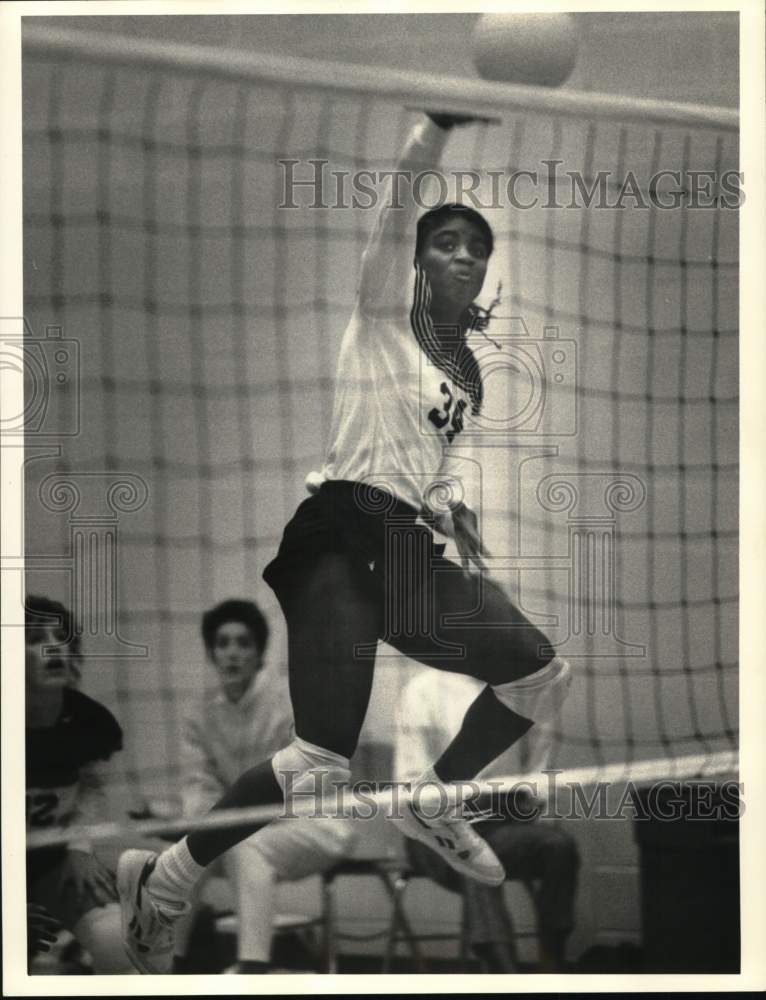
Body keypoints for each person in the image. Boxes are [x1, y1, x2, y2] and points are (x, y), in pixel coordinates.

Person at [118, 111, 572, 973]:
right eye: (447, 242)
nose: (464, 255)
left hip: (404, 544)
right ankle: (169, 879)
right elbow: (396, 208)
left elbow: (443, 462)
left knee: (542, 670)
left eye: (477, 248)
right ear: (417, 257)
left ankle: (434, 798)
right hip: (336, 532)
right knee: (320, 759)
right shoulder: (377, 313)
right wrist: (431, 133)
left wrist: (455, 506)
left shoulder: (467, 374)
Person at [172, 599, 357, 973]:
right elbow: (198, 787)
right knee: (187, 851)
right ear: (212, 653)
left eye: (243, 643)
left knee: (245, 845)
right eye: (223, 644)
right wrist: (209, 820)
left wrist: (236, 816)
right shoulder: (199, 714)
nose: (233, 653)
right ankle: (166, 962)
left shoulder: (290, 701)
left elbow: (311, 780)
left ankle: (253, 967)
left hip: (316, 825)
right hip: (239, 830)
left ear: (259, 653)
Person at [396, 668, 579, 972]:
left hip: (501, 824)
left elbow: (536, 784)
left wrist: (519, 798)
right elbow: (410, 784)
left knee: (559, 847)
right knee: (476, 858)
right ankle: (506, 979)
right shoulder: (422, 691)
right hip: (431, 830)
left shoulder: (527, 692)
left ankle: (553, 967)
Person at [25, 595, 135, 974]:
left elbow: (93, 789)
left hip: (56, 863)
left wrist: (79, 846)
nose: (54, 647)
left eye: (62, 638)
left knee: (122, 944)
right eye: (36, 638)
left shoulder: (90, 722)